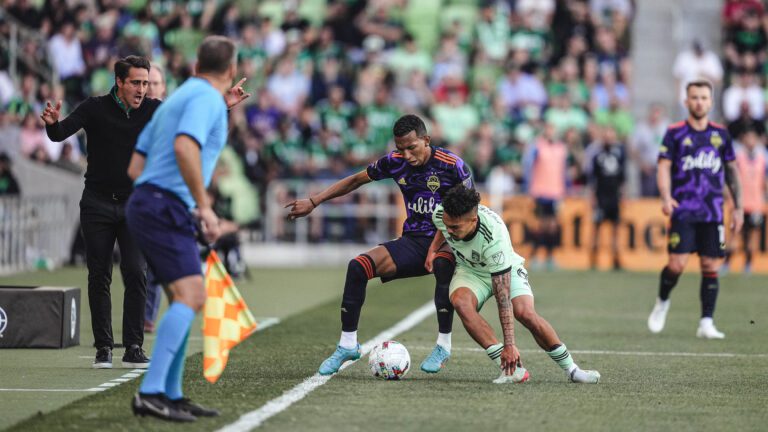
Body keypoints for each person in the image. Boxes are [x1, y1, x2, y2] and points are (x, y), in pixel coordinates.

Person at [286, 114, 472, 375]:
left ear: (426, 140)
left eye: (411, 148)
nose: (406, 155)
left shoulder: (452, 165)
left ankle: (443, 345)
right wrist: (315, 201)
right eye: (400, 149)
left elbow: (472, 208)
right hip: (414, 241)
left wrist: (454, 242)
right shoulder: (395, 163)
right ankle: (347, 345)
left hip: (448, 240)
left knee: (443, 264)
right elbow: (355, 180)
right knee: (358, 266)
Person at [126, 36, 249, 422]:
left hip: (152, 202)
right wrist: (203, 205)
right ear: (230, 70)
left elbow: (135, 167)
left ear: (197, 65)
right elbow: (184, 147)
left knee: (186, 295)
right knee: (193, 295)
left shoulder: (181, 97)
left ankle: (171, 393)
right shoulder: (205, 100)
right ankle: (150, 393)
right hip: (164, 206)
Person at [41, 55, 158, 369]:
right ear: (119, 82)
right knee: (99, 275)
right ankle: (103, 348)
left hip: (135, 205)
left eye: (145, 83)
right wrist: (52, 123)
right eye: (136, 82)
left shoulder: (153, 109)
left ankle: (133, 346)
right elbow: (59, 133)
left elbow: (191, 121)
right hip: (97, 203)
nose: (142, 89)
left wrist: (224, 106)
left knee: (136, 272)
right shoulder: (94, 107)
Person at [426, 185, 600, 384]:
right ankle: (512, 370)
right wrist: (433, 249)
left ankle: (573, 370)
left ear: (473, 221)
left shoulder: (494, 239)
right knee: (461, 302)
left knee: (525, 313)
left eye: (455, 227)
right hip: (470, 270)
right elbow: (442, 227)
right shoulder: (441, 214)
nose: (449, 230)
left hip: (505, 267)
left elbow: (503, 298)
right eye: (447, 224)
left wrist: (510, 344)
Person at [647, 80, 743, 339]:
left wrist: (739, 207)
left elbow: (732, 172)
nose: (699, 102)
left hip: (713, 212)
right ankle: (663, 301)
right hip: (683, 210)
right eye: (694, 97)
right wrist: (666, 196)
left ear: (711, 102)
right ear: (686, 101)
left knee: (710, 264)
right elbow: (664, 167)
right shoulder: (675, 132)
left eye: (703, 97)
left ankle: (706, 323)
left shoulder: (721, 134)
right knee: (676, 264)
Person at [723, 128, 766, 274]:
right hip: (738, 204)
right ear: (743, 140)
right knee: (734, 235)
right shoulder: (738, 158)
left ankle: (748, 265)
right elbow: (730, 179)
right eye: (748, 138)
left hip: (755, 205)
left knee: (752, 237)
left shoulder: (762, 159)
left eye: (753, 138)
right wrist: (729, 195)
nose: (750, 141)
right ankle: (726, 263)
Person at [587, 126, 626, 270]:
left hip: (614, 197)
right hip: (601, 197)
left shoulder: (619, 154)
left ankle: (616, 259)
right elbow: (593, 179)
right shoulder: (597, 156)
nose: (609, 139)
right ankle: (593, 260)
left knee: (615, 230)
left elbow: (622, 178)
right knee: (596, 229)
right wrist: (592, 197)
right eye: (607, 136)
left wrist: (623, 195)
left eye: (611, 136)